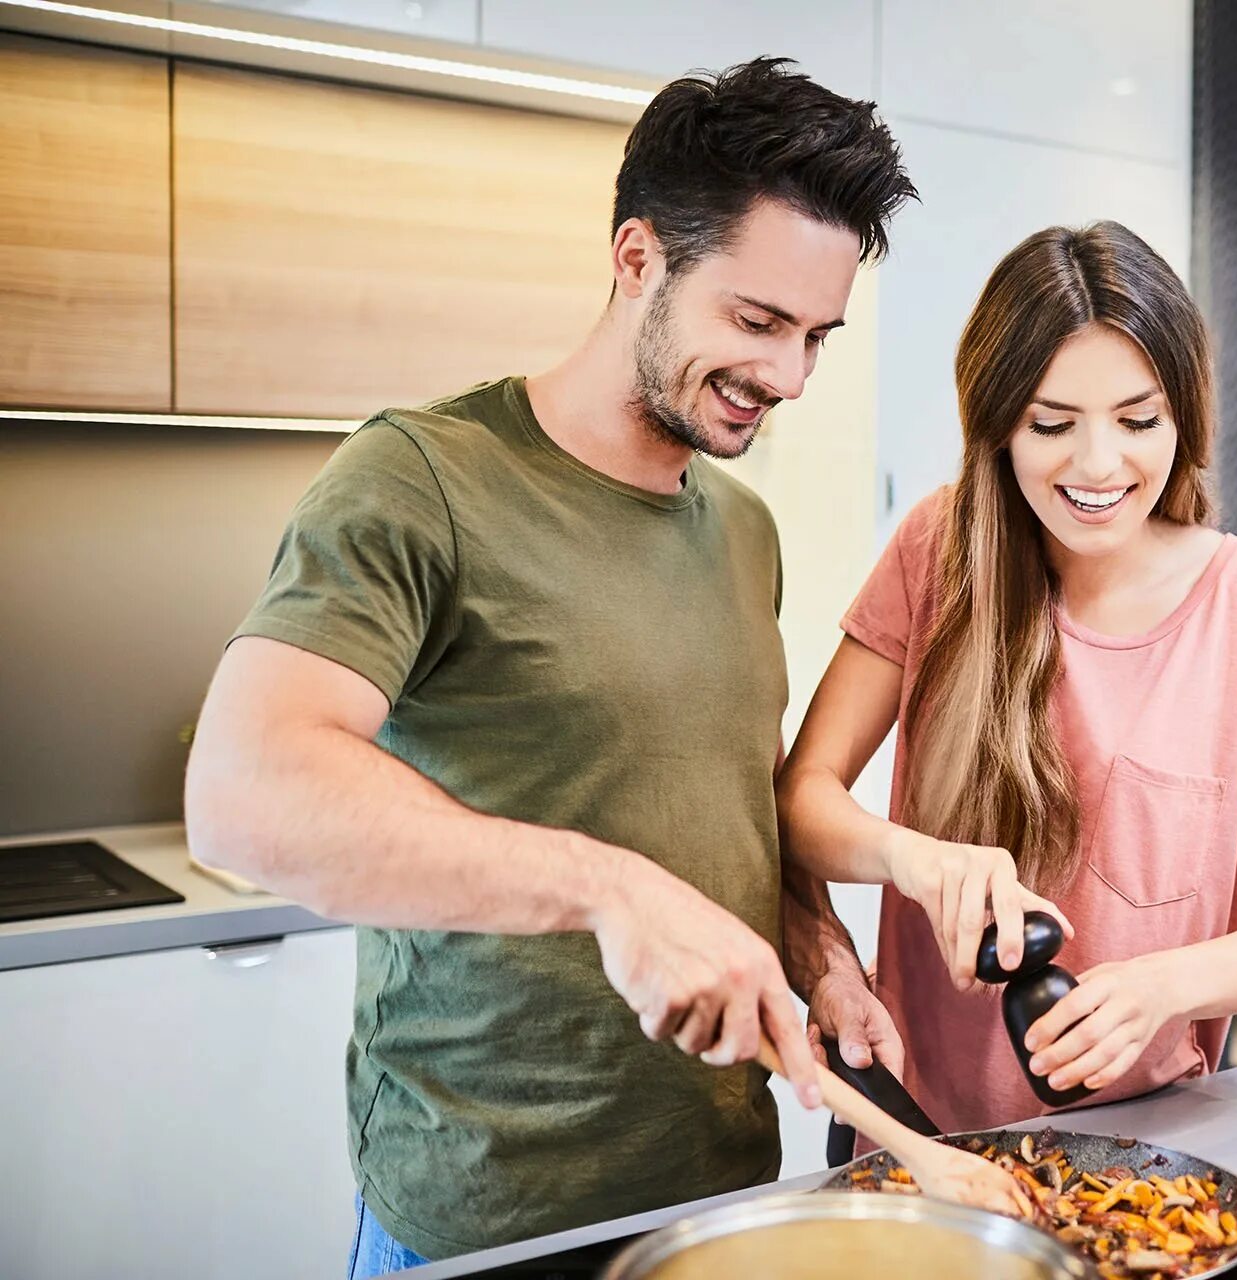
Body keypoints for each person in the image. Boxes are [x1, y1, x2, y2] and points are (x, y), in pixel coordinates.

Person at [183, 58, 916, 1272]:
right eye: (756, 321)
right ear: (638, 258)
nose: (788, 377)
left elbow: (724, 801)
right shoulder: (421, 477)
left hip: (717, 1199)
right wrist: (607, 889)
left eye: (817, 338)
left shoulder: (744, 532)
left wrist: (818, 945)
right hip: (481, 1216)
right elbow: (243, 788)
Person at [778, 221, 1237, 1133]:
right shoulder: (938, 552)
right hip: (914, 1124)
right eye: (1051, 425)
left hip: (1149, 1138)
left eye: (1139, 422)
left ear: (1183, 418)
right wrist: (912, 858)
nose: (1099, 466)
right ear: (998, 427)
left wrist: (1162, 987)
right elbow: (801, 797)